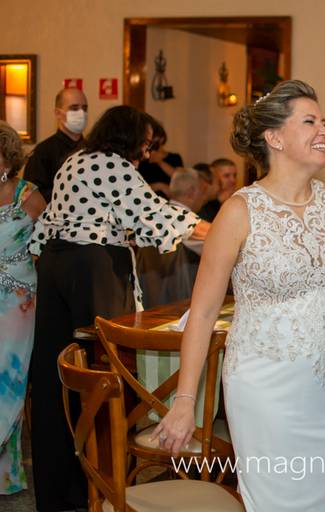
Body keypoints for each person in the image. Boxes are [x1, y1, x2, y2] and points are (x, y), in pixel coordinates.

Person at [154, 80, 325, 511]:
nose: (324, 130)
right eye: (310, 122)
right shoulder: (239, 211)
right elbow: (203, 312)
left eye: (324, 122)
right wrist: (185, 401)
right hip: (266, 388)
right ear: (275, 138)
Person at [28, 106, 208, 512]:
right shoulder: (112, 164)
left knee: (58, 378)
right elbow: (154, 214)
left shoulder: (75, 160)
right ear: (128, 137)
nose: (146, 154)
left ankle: (61, 494)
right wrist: (216, 230)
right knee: (107, 375)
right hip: (93, 270)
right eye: (145, 144)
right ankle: (103, 486)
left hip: (55, 267)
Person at [0, 122, 45, 495]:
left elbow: (48, 244)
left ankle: (6, 472)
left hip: (18, 301)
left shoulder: (27, 194)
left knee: (8, 382)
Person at [136, 168, 205, 308]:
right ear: (192, 192)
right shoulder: (187, 223)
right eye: (202, 191)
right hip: (178, 302)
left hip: (148, 300)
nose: (204, 197)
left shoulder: (153, 219)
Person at [24, 87, 88, 202]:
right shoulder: (43, 152)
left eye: (84, 108)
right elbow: (32, 194)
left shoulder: (93, 149)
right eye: (74, 108)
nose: (81, 113)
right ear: (58, 113)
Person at [137, 120, 183, 197]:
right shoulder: (141, 159)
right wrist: (159, 186)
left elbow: (181, 179)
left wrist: (159, 161)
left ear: (162, 138)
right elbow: (138, 186)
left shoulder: (174, 158)